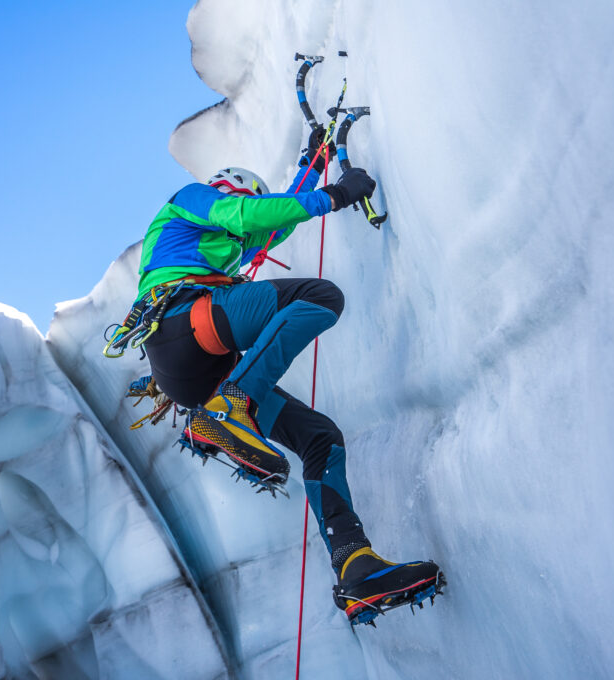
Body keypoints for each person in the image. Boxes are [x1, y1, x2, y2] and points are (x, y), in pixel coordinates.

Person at [132, 130, 443, 624]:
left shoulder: (224, 240)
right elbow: (247, 215)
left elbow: (273, 227)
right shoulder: (192, 200)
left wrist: (312, 165)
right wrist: (334, 195)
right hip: (182, 322)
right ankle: (230, 408)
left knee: (320, 438)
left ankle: (356, 568)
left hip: (195, 372)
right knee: (320, 297)